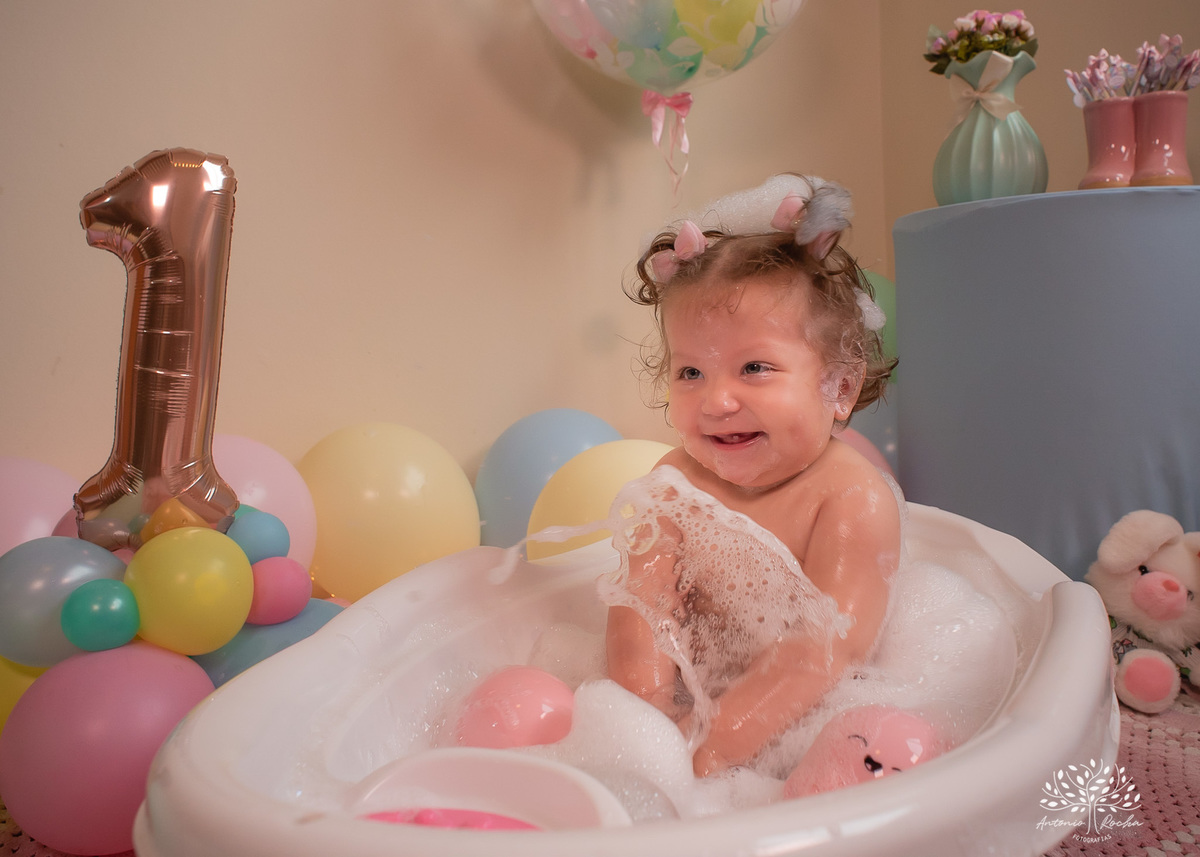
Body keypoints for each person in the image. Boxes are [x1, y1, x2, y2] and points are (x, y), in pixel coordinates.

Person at [604, 174, 902, 777]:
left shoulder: (850, 498)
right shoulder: (675, 483)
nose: (716, 401)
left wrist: (712, 747)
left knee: (871, 757)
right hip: (694, 708)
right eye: (691, 373)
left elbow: (826, 648)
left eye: (754, 367)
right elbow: (641, 612)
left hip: (800, 720)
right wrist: (642, 727)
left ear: (838, 387)